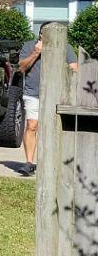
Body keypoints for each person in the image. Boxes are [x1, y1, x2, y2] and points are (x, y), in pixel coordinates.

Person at [15, 34, 75, 177]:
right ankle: (29, 163)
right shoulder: (29, 46)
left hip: (56, 95)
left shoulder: (66, 47)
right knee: (32, 125)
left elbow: (74, 69)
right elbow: (21, 68)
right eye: (44, 33)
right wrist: (36, 52)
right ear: (40, 34)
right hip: (32, 93)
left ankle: (52, 163)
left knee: (53, 128)